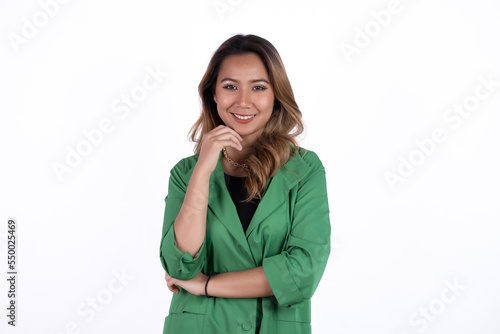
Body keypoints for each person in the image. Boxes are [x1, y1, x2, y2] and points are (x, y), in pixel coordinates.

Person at [159, 34, 331, 334]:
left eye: (258, 87)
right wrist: (202, 170)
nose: (243, 101)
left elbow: (302, 274)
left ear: (276, 94)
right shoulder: (185, 174)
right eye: (230, 87)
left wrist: (207, 285)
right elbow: (180, 266)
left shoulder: (304, 169)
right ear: (213, 93)